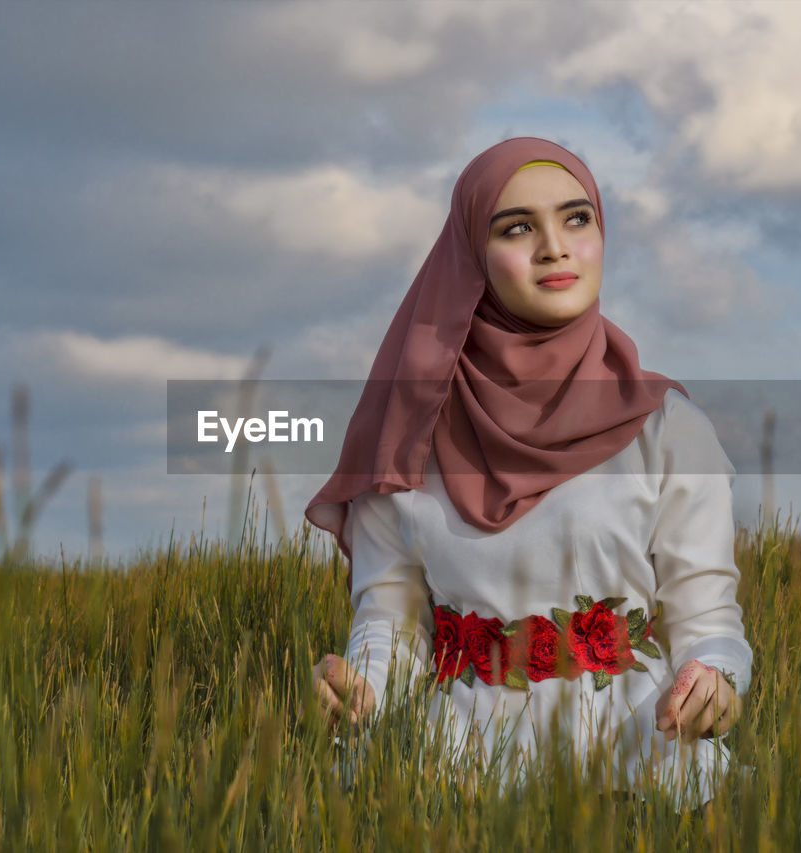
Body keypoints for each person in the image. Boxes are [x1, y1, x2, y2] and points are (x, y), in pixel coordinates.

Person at [305, 137, 751, 812]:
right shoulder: (404, 438)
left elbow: (708, 617)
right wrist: (359, 688)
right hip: (451, 767)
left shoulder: (668, 429)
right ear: (469, 258)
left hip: (637, 754)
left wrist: (714, 682)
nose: (555, 247)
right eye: (518, 228)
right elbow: (389, 625)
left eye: (578, 218)